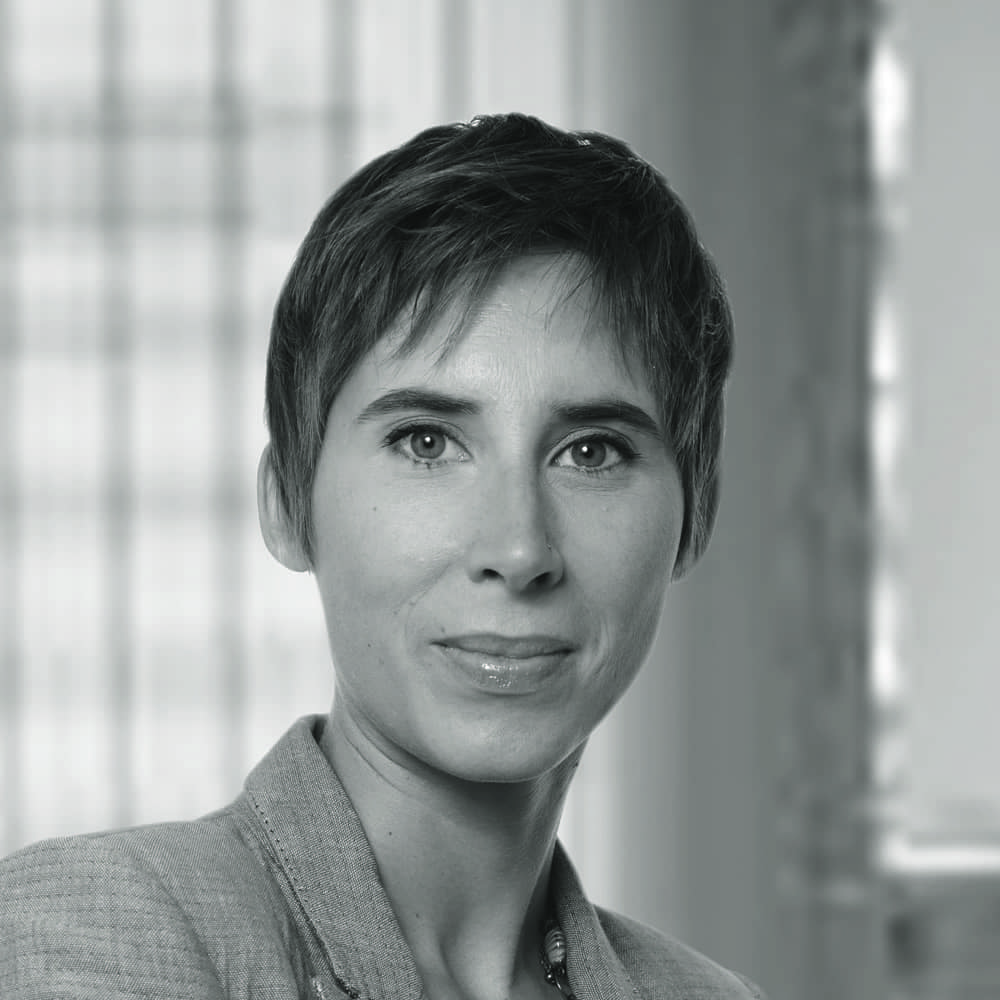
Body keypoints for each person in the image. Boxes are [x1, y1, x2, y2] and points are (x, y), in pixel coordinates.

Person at [0, 113, 763, 1000]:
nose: (519, 550)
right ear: (289, 504)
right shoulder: (103, 930)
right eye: (426, 442)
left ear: (695, 515)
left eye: (591, 452)